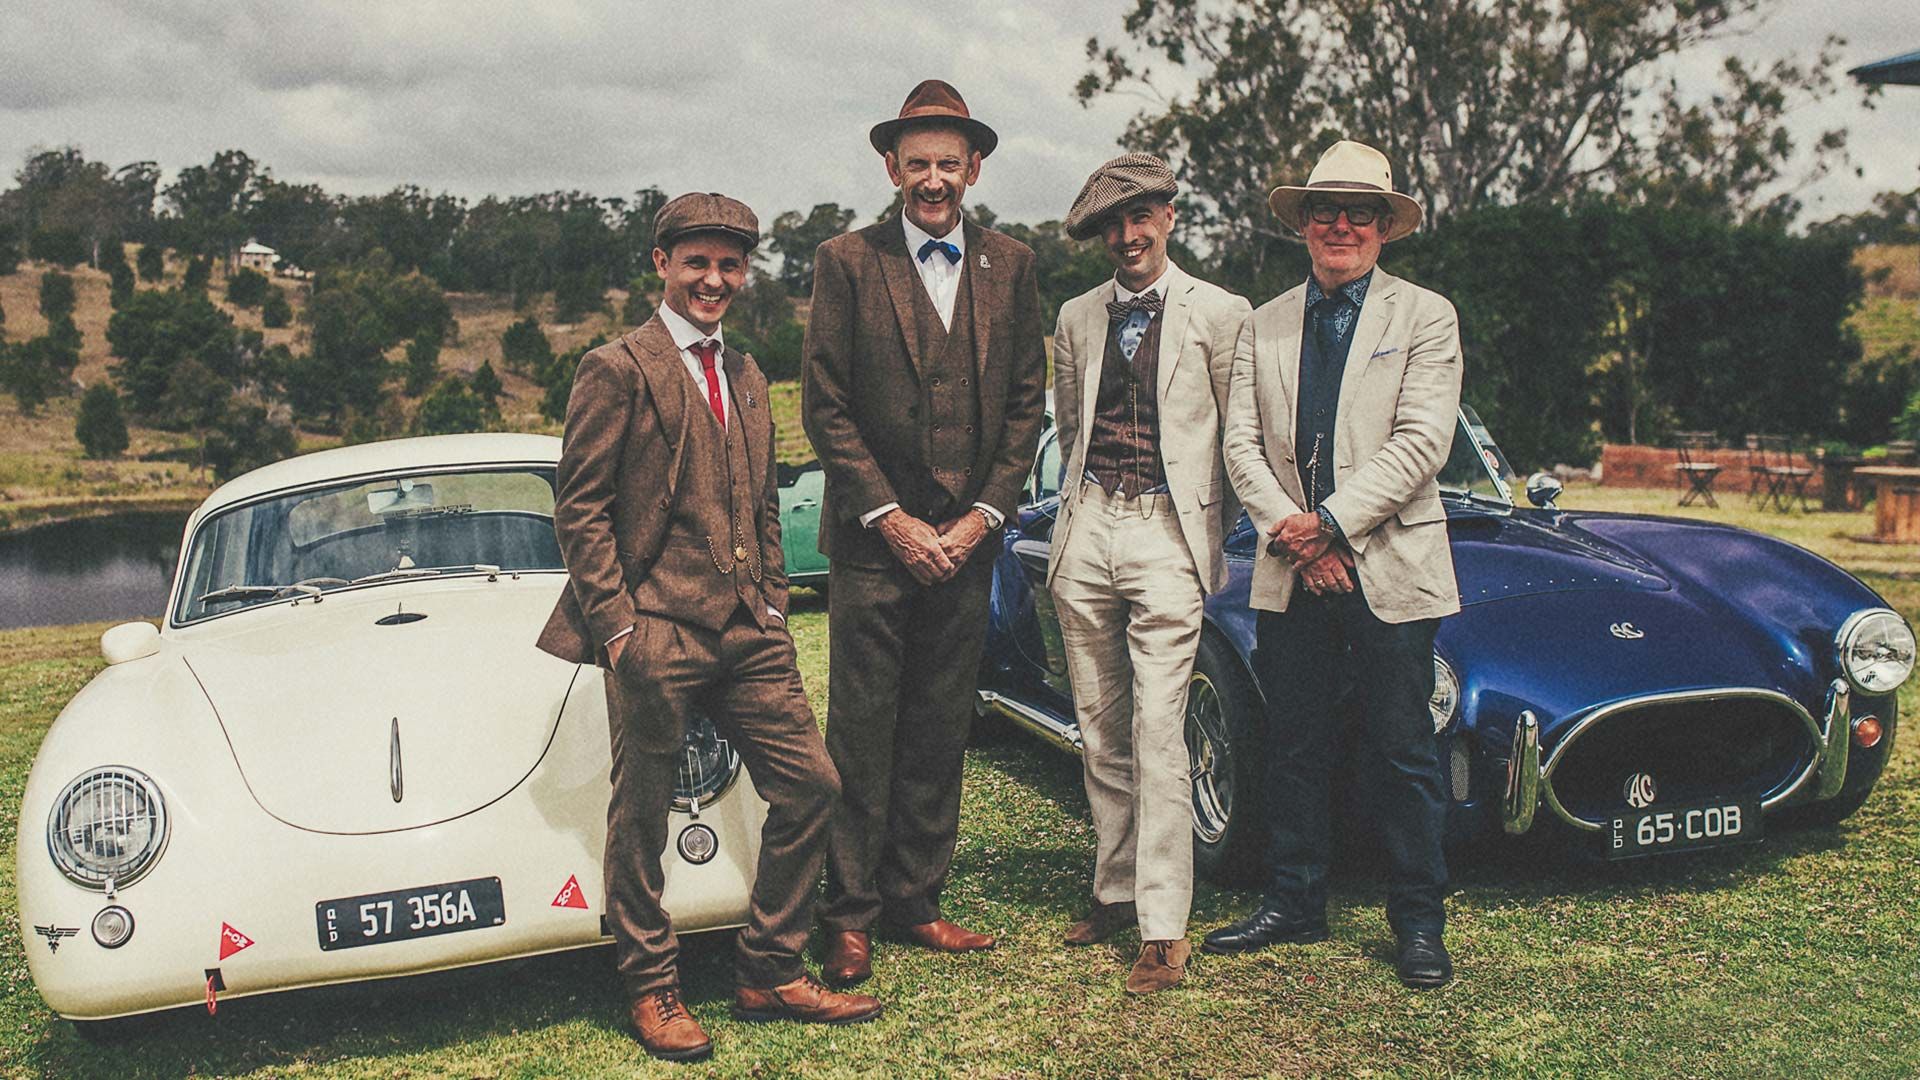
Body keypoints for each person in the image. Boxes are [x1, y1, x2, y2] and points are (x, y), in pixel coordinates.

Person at [538, 192, 881, 1063]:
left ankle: (767, 965)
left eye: (731, 265)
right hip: (654, 633)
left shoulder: (750, 373)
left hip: (749, 633)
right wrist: (619, 631)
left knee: (812, 787)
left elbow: (760, 501)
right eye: (698, 262)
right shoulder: (616, 368)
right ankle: (652, 988)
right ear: (662, 264)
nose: (715, 280)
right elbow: (580, 511)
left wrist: (770, 600)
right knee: (641, 818)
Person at [802, 79, 1048, 987]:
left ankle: (917, 901)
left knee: (942, 726)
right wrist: (892, 517)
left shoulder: (1013, 264)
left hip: (969, 546)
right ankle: (850, 915)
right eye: (918, 164)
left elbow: (1026, 405)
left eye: (949, 163)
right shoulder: (845, 260)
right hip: (876, 545)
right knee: (862, 731)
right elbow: (824, 404)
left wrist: (982, 515)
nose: (933, 179)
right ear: (891, 167)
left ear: (974, 166)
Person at [1209, 140, 1464, 989]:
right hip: (1292, 565)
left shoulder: (1426, 315)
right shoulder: (1262, 321)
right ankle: (1296, 899)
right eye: (1326, 211)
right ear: (1304, 224)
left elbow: (1421, 443)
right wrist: (1295, 534)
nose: (1341, 226)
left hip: (1388, 564)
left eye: (1360, 212)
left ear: (1386, 226)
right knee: (1295, 744)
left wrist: (1331, 527)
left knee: (1403, 751)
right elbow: (1240, 443)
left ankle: (1418, 921)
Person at [1045, 154, 1251, 993]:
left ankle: (1164, 928)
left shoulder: (1221, 312)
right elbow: (1070, 422)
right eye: (1110, 226)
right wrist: (1086, 513)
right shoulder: (1076, 316)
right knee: (1098, 724)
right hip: (1090, 522)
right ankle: (1116, 887)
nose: (1126, 238)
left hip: (1170, 530)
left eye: (1141, 219)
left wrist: (1208, 532)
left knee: (1159, 731)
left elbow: (1240, 440)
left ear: (1171, 215)